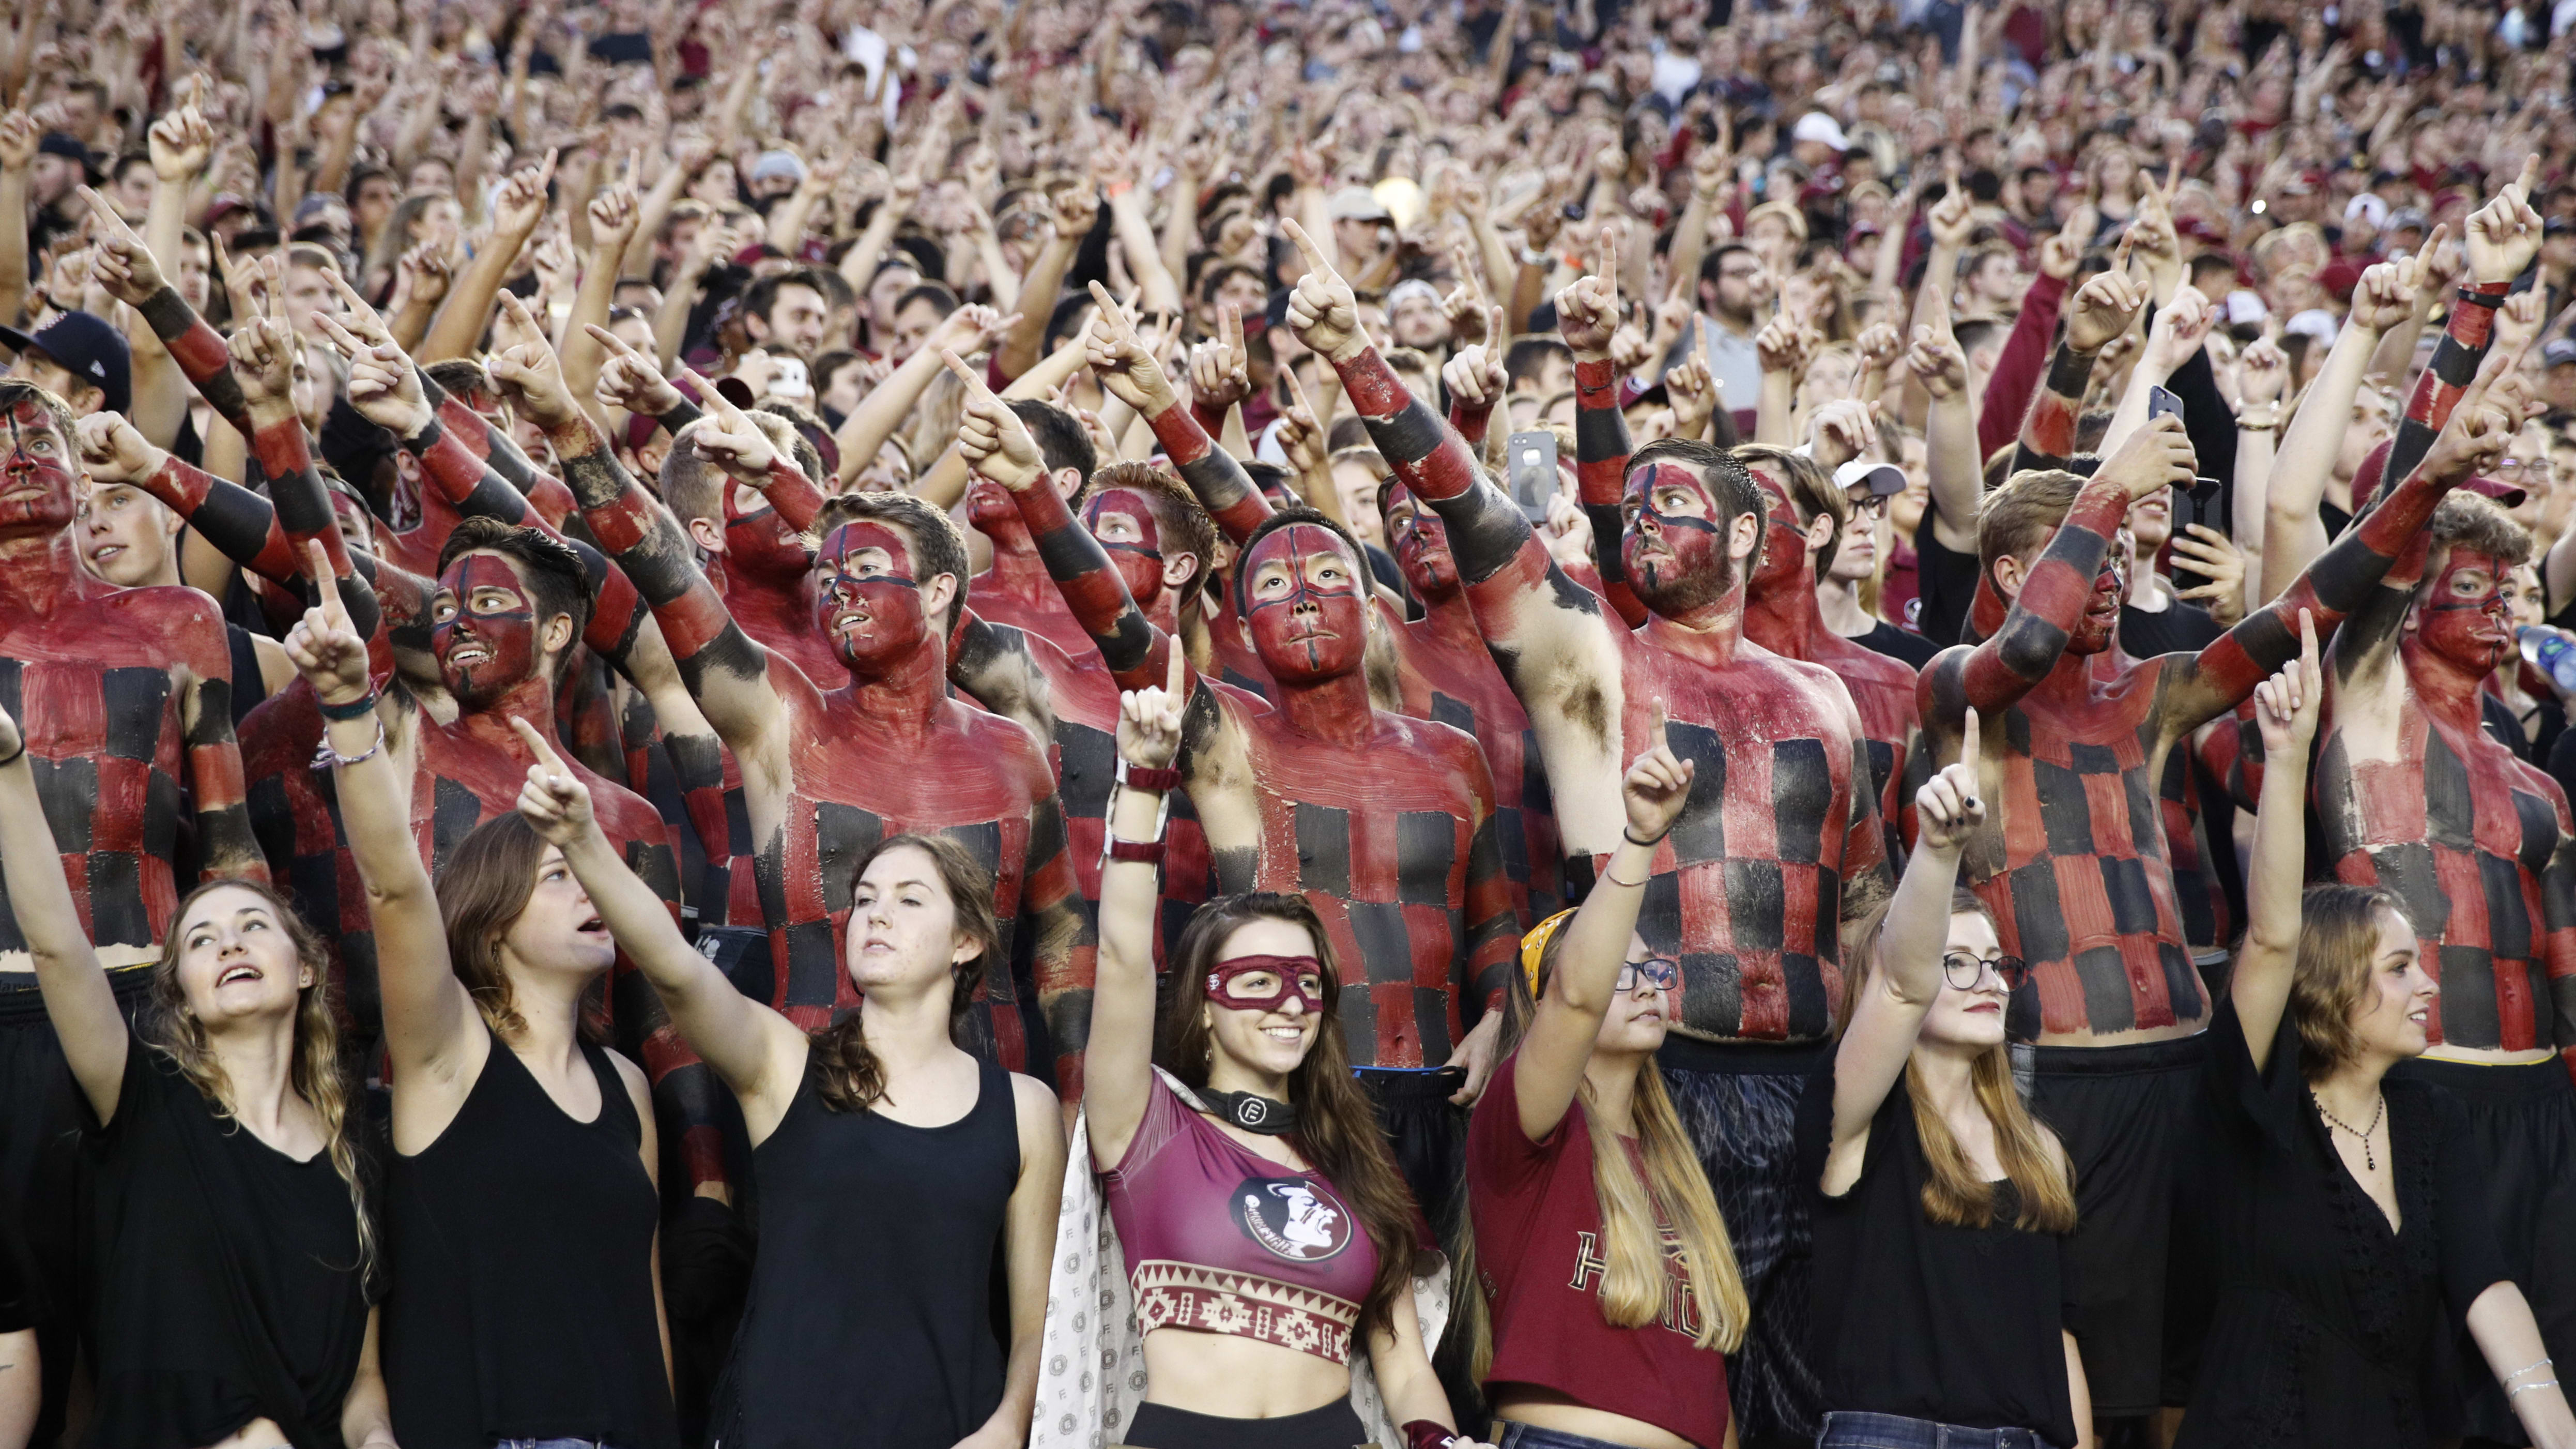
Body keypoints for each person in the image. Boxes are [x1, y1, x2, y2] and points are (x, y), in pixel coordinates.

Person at [1306, 227, 1891, 1446]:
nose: (1646, 525)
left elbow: (1862, 907)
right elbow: (1476, 517)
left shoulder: (1829, 697)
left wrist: (1860, 1096)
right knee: (1638, 1389)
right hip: (1647, 1078)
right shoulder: (1594, 667)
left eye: (1680, 509)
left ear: (1745, 542)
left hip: (1805, 1083)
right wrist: (1363, 361)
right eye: (1642, 507)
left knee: (1791, 1409)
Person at [1917, 278, 2522, 1429]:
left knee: (2180, 1375)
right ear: (2004, 574)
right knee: (2057, 1373)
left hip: (2182, 1067)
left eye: (2106, 556)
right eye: (2074, 554)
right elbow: (2025, 645)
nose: (2108, 574)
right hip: (2048, 1077)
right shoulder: (1955, 693)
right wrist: (2104, 488)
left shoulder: (2147, 697)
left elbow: (2300, 607)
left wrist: (2428, 482)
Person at [950, 350, 1516, 1233]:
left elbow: (1492, 922)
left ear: (1374, 608)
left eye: (1330, 580)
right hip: (1295, 1099)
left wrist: (1497, 1014)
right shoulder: (1234, 745)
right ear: (1243, 622)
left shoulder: (1455, 756)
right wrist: (1037, 494)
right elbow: (1125, 635)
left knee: (1445, 1359)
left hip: (1443, 1099)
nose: (1302, 600)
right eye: (1275, 587)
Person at [510, 721, 1067, 1449]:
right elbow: (676, 970)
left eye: (908, 900)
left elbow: (1036, 1328)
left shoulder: (1024, 1110)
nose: (876, 915)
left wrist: (1006, 1428)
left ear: (966, 943)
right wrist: (584, 840)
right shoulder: (784, 1065)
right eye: (864, 899)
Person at [283, 546, 678, 1449]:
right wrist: (350, 707)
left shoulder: (630, 1088)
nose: (593, 892)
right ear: (492, 924)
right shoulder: (445, 1055)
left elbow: (643, 1299)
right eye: (559, 876)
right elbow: (393, 889)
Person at [2177, 614, 2576, 1449]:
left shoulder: (2431, 1119)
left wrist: (2555, 1425)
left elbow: (2485, 1283)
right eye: (2398, 967)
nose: (2428, 981)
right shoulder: (2255, 1105)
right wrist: (2286, 762)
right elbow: (2277, 936)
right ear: (2326, 986)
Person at [1079, 651, 1474, 1449]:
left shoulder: (1356, 1157)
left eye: (1307, 981)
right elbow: (1122, 957)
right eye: (1258, 981)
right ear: (1202, 1003)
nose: (1290, 1003)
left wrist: (1437, 1442)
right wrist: (1146, 785)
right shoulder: (1147, 1127)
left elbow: (1400, 1362)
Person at [0, 694, 384, 1449]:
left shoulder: (356, 1150)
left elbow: (364, 1384)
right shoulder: (144, 1104)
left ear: (305, 969)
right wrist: (11, 768)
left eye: (252, 928)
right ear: (181, 995)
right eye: (202, 942)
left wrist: (377, 1441)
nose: (231, 946)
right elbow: (57, 948)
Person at [2311, 487, 2576, 1443]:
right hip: (2417, 1090)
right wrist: (2445, 439)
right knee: (2424, 1377)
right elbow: (2375, 577)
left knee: (2552, 1363)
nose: (2500, 608)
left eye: (2507, 590)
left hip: (2543, 1108)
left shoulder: (2540, 786)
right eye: (2471, 587)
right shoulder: (2372, 724)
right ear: (2419, 599)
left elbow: (2568, 970)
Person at [1801, 704, 2089, 1449]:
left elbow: (2058, 1338)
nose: (1985, 979)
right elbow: (1901, 986)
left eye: (1995, 963)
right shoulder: (1856, 1123)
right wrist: (1936, 853)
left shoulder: (2040, 1151)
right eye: (1954, 962)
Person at [1462, 726, 1752, 1449]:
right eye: (1622, 971)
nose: (1648, 986)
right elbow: (1577, 1003)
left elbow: (1711, 1390)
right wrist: (1641, 840)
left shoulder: (1675, 1161)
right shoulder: (1522, 1132)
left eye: (1654, 970)